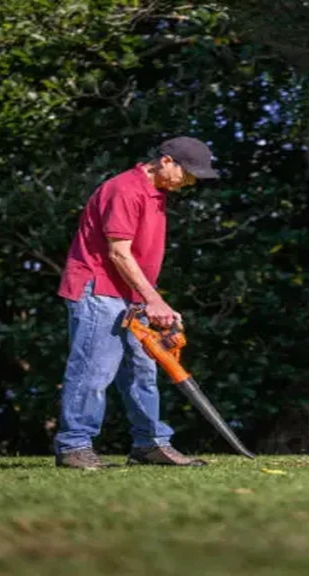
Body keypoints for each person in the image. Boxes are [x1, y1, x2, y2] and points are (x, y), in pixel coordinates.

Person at [53, 136, 220, 470]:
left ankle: (150, 445)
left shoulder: (156, 194)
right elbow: (118, 253)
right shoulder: (125, 189)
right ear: (166, 161)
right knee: (93, 371)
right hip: (98, 290)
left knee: (142, 372)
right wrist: (154, 299)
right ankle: (74, 447)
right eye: (188, 173)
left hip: (130, 296)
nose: (190, 181)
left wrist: (153, 302)